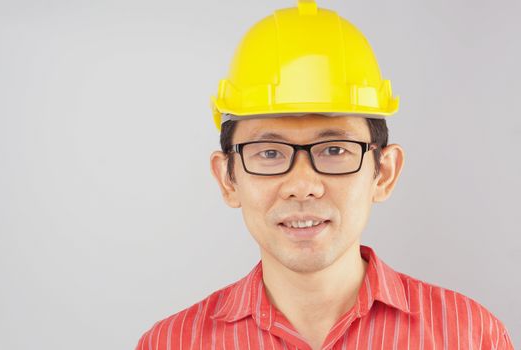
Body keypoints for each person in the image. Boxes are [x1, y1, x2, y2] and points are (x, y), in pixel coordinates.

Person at [136, 1, 514, 349]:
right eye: (269, 152)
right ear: (227, 178)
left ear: (383, 172)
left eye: (334, 150)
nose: (302, 186)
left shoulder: (469, 335)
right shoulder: (171, 343)